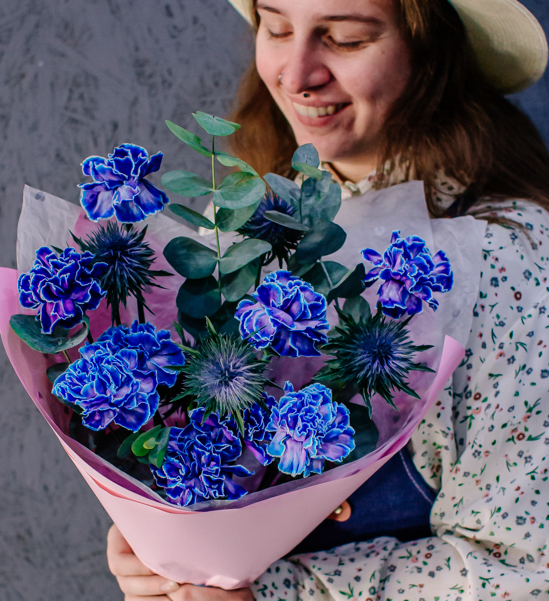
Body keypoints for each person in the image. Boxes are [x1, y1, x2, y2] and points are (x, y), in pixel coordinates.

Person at [107, 0, 549, 599]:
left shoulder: (509, 259)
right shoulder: (235, 226)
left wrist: (272, 593)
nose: (296, 75)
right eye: (277, 28)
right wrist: (160, 547)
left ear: (430, 52)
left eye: (345, 39)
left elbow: (523, 570)